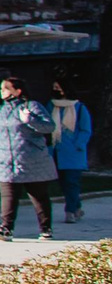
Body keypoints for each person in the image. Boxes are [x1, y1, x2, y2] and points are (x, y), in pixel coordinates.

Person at [0, 74, 58, 241]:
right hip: (5, 160)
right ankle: (5, 228)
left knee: (38, 195)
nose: (2, 91)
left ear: (18, 91)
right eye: (1, 88)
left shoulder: (31, 106)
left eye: (6, 88)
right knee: (8, 195)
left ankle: (46, 228)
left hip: (31, 160)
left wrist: (30, 120)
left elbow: (49, 127)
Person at [51, 80, 91, 222]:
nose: (56, 90)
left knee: (71, 181)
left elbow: (86, 129)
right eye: (54, 87)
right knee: (63, 183)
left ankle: (70, 211)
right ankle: (77, 207)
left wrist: (78, 144)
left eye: (58, 87)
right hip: (56, 152)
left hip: (73, 153)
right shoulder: (51, 106)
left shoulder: (79, 108)